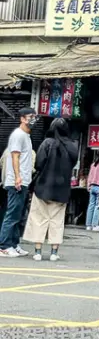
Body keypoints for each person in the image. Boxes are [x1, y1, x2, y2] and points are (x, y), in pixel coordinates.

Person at [23, 118, 79, 262]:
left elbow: (39, 163)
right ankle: (54, 252)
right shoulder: (73, 146)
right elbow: (72, 164)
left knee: (39, 219)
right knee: (57, 222)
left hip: (43, 187)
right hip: (62, 190)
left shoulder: (47, 143)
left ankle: (38, 252)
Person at [0, 108, 36, 258]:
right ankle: (4, 246)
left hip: (24, 180)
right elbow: (14, 157)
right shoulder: (18, 135)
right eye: (30, 117)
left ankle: (14, 244)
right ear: (22, 118)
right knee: (12, 214)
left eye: (34, 117)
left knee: (18, 214)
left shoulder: (26, 136)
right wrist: (17, 177)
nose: (33, 119)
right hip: (16, 181)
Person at [85, 149, 99, 232]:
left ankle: (88, 225)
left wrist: (88, 185)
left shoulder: (93, 164)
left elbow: (90, 175)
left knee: (91, 205)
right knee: (97, 206)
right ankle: (95, 225)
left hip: (92, 186)